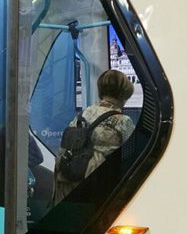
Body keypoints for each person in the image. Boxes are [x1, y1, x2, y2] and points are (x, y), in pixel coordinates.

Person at [53, 69, 136, 203]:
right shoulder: (123, 121)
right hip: (99, 189)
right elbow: (135, 156)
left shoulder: (82, 115)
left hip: (68, 183)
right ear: (123, 95)